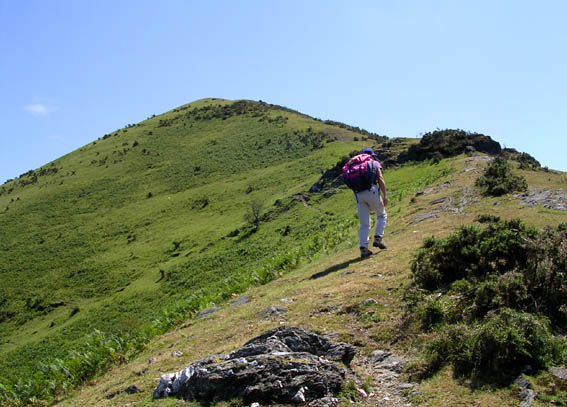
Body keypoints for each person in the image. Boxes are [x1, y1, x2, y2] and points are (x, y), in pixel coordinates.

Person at [355, 147, 388, 258]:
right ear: (371, 155)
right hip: (371, 191)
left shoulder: (356, 166)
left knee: (364, 223)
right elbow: (380, 179)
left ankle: (364, 248)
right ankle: (378, 239)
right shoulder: (373, 163)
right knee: (381, 215)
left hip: (358, 194)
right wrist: (384, 195)